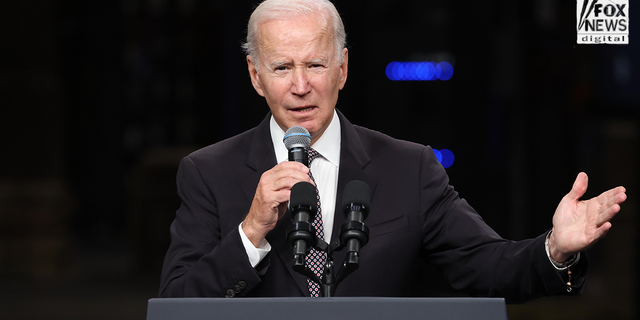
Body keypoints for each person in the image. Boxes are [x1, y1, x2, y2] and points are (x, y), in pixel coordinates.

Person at [159, 0, 627, 301]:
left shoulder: (410, 168)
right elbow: (177, 304)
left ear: (342, 69)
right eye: (282, 67)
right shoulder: (208, 173)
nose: (301, 86)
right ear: (255, 75)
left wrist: (555, 248)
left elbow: (489, 266)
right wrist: (251, 231)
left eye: (316, 64)